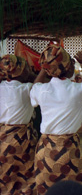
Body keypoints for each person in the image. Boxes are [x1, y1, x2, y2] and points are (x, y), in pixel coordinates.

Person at [30, 46, 82, 194]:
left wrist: (47, 66)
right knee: (81, 189)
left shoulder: (41, 90)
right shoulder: (79, 90)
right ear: (69, 68)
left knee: (46, 189)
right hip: (68, 152)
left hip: (44, 151)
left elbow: (34, 86)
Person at [0, 55, 37, 195]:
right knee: (26, 177)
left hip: (3, 137)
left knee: (6, 177)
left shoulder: (1, 86)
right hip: (22, 140)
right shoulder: (27, 88)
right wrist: (33, 75)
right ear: (21, 71)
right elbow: (48, 85)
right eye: (26, 67)